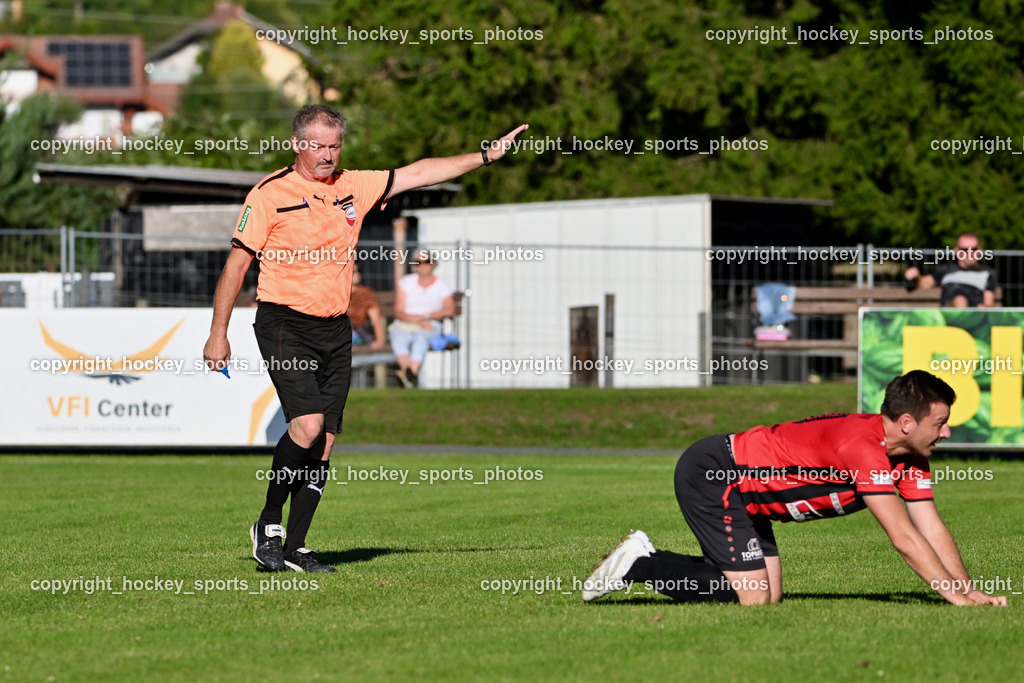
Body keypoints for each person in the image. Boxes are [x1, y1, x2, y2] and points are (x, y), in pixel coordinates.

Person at [203, 104, 527, 573]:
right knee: (308, 425)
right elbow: (236, 265)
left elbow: (418, 172)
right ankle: (268, 526)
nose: (327, 155)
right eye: (318, 145)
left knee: (326, 441)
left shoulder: (353, 185)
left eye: (334, 145)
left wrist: (485, 156)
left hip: (335, 328)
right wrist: (218, 335)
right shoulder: (269, 194)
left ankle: (295, 546)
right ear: (298, 144)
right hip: (283, 323)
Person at [582, 370, 1007, 606]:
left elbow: (931, 527)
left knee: (768, 597)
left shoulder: (910, 458)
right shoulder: (862, 447)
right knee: (753, 598)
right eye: (940, 423)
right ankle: (641, 563)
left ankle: (652, 561)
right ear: (907, 423)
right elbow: (904, 537)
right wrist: (956, 600)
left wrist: (968, 591)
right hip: (717, 474)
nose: (948, 432)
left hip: (751, 498)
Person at [388, 249, 455, 387]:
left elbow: (450, 309)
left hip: (430, 324)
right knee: (398, 337)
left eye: (426, 261)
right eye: (418, 262)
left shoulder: (442, 284)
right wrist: (418, 320)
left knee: (422, 338)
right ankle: (410, 375)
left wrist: (426, 317)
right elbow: (398, 311)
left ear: (434, 264)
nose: (423, 265)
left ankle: (408, 373)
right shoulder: (406, 282)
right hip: (406, 323)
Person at [904, 232, 997, 307]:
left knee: (961, 301)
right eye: (965, 250)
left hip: (974, 318)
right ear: (957, 250)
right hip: (949, 319)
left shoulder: (987, 273)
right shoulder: (947, 270)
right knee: (960, 300)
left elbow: (989, 303)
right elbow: (925, 283)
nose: (970, 253)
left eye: (974, 249)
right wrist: (914, 277)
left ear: (980, 250)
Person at [348, 262, 386, 350]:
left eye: (359, 271)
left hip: (356, 334)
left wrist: (380, 340)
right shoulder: (337, 294)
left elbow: (376, 319)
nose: (357, 274)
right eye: (353, 271)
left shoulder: (366, 293)